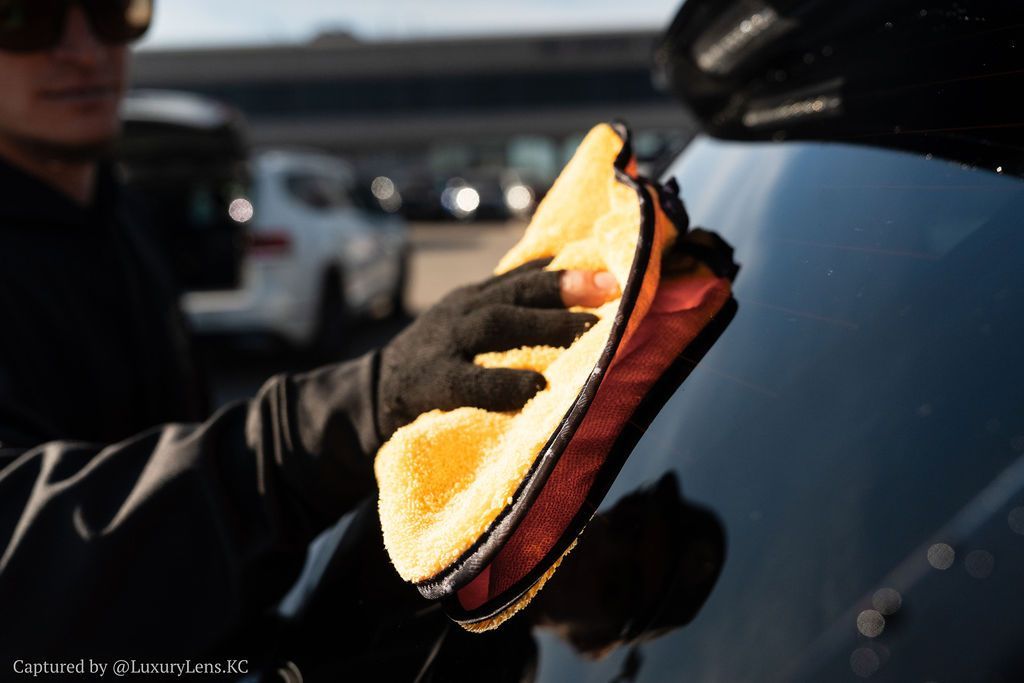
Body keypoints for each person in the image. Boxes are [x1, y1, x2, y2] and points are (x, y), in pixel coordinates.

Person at [0, 1, 620, 662]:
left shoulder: (114, 216)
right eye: (22, 16)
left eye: (113, 13)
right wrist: (313, 432)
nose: (85, 50)